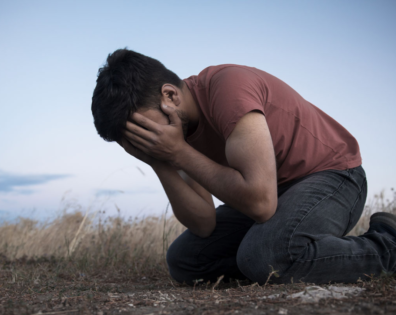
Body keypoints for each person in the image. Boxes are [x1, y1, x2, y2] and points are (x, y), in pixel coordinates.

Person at [91, 49, 396, 285]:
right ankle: (302, 254)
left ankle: (387, 243)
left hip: (334, 176)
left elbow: (261, 205)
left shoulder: (228, 90)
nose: (147, 141)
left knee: (265, 257)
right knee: (185, 261)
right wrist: (160, 160)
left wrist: (178, 152)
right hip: (275, 191)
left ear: (170, 96)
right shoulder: (176, 133)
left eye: (146, 131)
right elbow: (203, 224)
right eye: (134, 140)